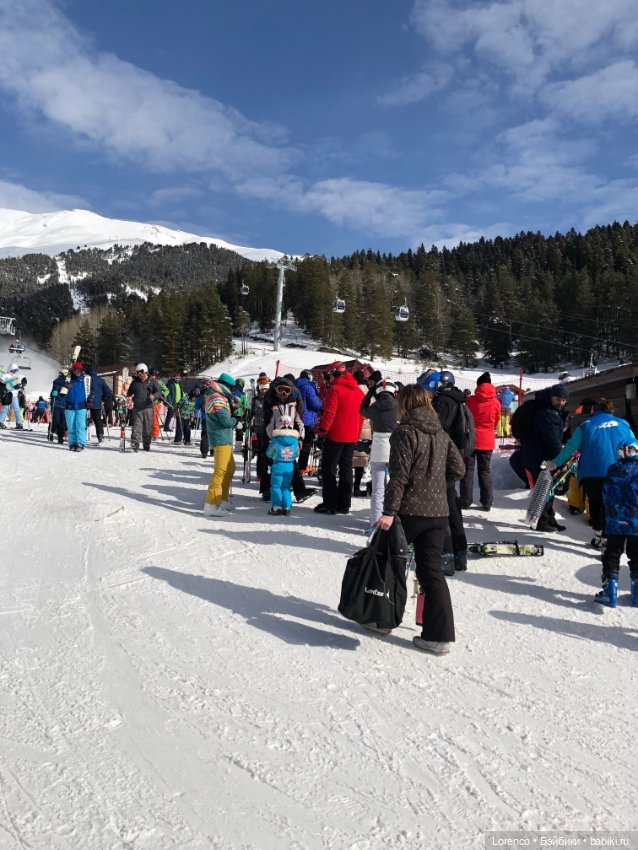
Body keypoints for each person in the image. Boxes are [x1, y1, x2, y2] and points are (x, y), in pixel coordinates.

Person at [376, 384, 465, 655]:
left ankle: (380, 617)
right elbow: (459, 469)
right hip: (438, 513)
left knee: (388, 562)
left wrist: (389, 512)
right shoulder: (441, 432)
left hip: (410, 512)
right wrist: (436, 485)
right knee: (431, 572)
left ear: (405, 404)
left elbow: (399, 477)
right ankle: (439, 637)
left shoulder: (405, 432)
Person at [553, 399, 635, 549]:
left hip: (592, 473)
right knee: (614, 504)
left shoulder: (585, 426)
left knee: (596, 505)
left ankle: (601, 538)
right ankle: (614, 538)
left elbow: (570, 447)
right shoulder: (623, 424)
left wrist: (555, 462)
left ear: (594, 412)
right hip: (618, 472)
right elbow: (634, 447)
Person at [418, 370, 470, 571]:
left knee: (444, 507)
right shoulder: (453, 399)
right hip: (449, 458)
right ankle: (457, 551)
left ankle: (449, 552)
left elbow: (437, 430)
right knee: (450, 505)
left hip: (444, 460)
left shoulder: (444, 402)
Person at [511, 384, 570, 532]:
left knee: (547, 489)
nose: (561, 403)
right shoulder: (547, 413)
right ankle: (541, 522)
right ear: (551, 397)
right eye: (557, 399)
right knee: (543, 490)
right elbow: (552, 441)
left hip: (539, 456)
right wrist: (562, 460)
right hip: (540, 458)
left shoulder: (547, 409)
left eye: (563, 400)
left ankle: (550, 519)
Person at [314, 362, 363, 516]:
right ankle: (344, 504)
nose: (327, 379)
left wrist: (322, 431)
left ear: (334, 374)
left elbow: (330, 413)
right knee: (346, 469)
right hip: (351, 436)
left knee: (329, 469)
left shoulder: (335, 390)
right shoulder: (358, 391)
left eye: (328, 376)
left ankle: (330, 504)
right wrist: (357, 434)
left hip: (335, 434)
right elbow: (361, 416)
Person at [596, 443, 638, 607]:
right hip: (636, 524)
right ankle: (637, 594)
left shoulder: (613, 470)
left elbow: (605, 495)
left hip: (615, 522)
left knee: (612, 554)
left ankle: (609, 593)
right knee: (637, 555)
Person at [264, 377, 315, 503]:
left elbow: (299, 422)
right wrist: (273, 437)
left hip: (290, 439)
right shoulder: (272, 405)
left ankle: (299, 492)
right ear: (276, 391)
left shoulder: (293, 405)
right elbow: (268, 423)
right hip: (276, 439)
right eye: (280, 390)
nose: (283, 394)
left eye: (286, 391)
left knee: (291, 464)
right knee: (270, 462)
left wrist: (300, 437)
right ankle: (267, 491)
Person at [360, 378, 399, 527]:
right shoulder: (399, 405)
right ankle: (394, 521)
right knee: (397, 487)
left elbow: (362, 409)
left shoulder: (375, 407)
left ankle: (375, 523)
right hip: (395, 448)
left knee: (378, 490)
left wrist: (369, 394)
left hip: (378, 448)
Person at [462, 372, 501, 511]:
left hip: (471, 439)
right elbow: (496, 421)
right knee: (484, 471)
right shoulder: (496, 402)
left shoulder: (471, 400)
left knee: (467, 470)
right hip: (487, 440)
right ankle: (487, 502)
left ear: (478, 385)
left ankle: (465, 501)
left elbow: (465, 418)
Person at [202, 373, 237, 517]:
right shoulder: (216, 398)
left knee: (230, 468)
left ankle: (222, 499)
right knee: (220, 471)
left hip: (224, 438)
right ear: (225, 386)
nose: (232, 391)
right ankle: (211, 504)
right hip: (220, 438)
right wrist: (236, 420)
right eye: (231, 388)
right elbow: (226, 421)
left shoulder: (219, 397)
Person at [265, 415, 300, 516]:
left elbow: (269, 453)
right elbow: (297, 454)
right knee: (286, 487)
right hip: (289, 466)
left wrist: (275, 455)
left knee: (276, 486)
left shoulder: (276, 440)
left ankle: (277, 507)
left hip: (278, 466)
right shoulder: (295, 441)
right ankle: (287, 507)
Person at [126, 363, 162, 452]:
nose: (140, 375)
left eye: (141, 373)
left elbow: (159, 391)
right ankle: (135, 444)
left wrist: (154, 396)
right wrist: (128, 396)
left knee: (147, 428)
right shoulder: (135, 382)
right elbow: (129, 392)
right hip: (137, 408)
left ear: (146, 372)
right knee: (136, 427)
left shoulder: (152, 381)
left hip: (148, 408)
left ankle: (146, 444)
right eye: (138, 373)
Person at [295, 370, 323, 472]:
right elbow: (314, 403)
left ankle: (294, 464)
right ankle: (302, 466)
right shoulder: (308, 387)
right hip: (308, 419)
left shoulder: (296, 385)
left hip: (297, 418)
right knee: (307, 443)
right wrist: (323, 405)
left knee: (298, 442)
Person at [64, 362, 93, 451]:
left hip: (81, 406)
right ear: (73, 370)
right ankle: (72, 443)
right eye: (76, 370)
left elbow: (91, 390)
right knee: (71, 426)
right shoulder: (67, 379)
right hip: (69, 405)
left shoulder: (85, 380)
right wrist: (64, 385)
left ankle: (81, 443)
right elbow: (57, 385)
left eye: (80, 370)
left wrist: (90, 399)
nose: (78, 372)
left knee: (80, 425)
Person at [251, 376, 271, 497]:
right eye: (262, 389)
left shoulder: (271, 398)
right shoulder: (255, 399)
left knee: (268, 452)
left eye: (266, 389)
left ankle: (267, 476)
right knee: (260, 452)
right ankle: (260, 473)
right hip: (259, 428)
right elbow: (251, 412)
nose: (264, 391)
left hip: (269, 428)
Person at [83, 363, 112, 443]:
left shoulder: (84, 379)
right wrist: (103, 398)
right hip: (97, 404)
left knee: (84, 420)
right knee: (98, 420)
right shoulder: (100, 380)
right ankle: (100, 436)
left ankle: (82, 436)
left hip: (85, 403)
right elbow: (108, 392)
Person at [0, 363, 25, 429]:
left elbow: (17, 385)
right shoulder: (5, 375)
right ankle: (1, 422)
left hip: (14, 395)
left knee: (17, 409)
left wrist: (20, 388)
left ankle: (19, 423)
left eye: (16, 370)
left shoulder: (15, 377)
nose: (14, 372)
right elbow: (1, 384)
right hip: (7, 395)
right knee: (5, 409)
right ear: (10, 369)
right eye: (14, 370)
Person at [49, 369, 69, 444]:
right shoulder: (58, 381)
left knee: (61, 421)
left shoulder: (67, 381)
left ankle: (60, 436)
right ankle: (51, 433)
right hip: (56, 403)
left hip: (63, 404)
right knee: (57, 420)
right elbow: (54, 389)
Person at [165, 372, 184, 442]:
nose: (178, 380)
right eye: (176, 378)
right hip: (173, 402)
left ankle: (179, 429)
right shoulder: (170, 384)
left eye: (179, 378)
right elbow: (168, 393)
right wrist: (169, 401)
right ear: (173, 378)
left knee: (179, 416)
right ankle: (166, 426)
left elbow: (181, 392)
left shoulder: (179, 384)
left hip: (179, 402)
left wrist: (182, 399)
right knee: (170, 414)